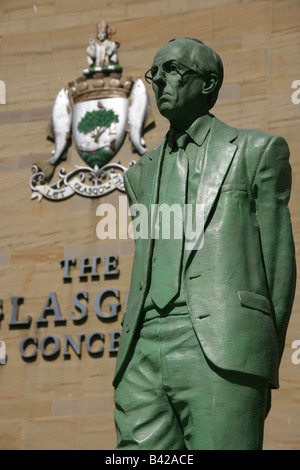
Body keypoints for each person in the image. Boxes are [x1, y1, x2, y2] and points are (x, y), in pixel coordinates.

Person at [113, 37, 296, 450]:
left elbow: (278, 265)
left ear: (209, 84)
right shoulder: (139, 174)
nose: (159, 80)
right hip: (142, 351)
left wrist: (259, 355)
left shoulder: (256, 152)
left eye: (173, 70)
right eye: (154, 73)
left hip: (221, 346)